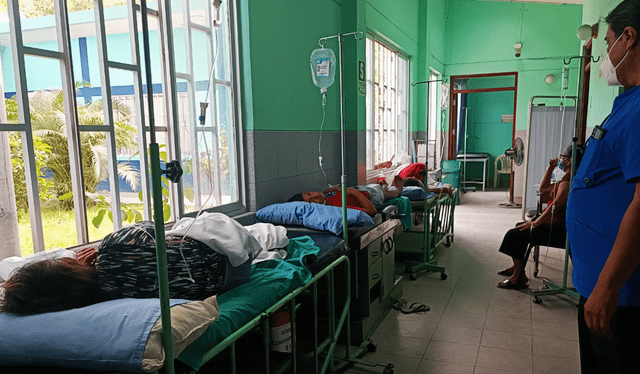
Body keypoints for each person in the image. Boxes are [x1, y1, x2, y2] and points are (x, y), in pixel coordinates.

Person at [565, 2, 640, 372]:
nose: (605, 55)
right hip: (600, 280)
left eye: (607, 41)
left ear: (629, 38)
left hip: (617, 292)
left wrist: (608, 287)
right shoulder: (627, 102)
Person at [496, 145, 578, 289]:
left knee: (513, 235)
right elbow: (543, 189)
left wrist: (537, 222)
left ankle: (518, 277)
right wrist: (550, 168)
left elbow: (557, 204)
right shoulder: (565, 175)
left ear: (570, 160)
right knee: (518, 226)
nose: (561, 159)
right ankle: (517, 268)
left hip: (558, 230)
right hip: (555, 224)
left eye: (563, 157)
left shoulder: (569, 180)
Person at [288, 175, 404, 216]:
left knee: (375, 186)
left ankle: (384, 186)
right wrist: (353, 192)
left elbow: (329, 191)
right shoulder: (337, 209)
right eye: (312, 202)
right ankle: (397, 190)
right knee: (384, 192)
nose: (315, 196)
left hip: (361, 189)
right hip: (372, 198)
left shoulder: (324, 194)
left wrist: (334, 189)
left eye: (309, 193)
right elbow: (372, 211)